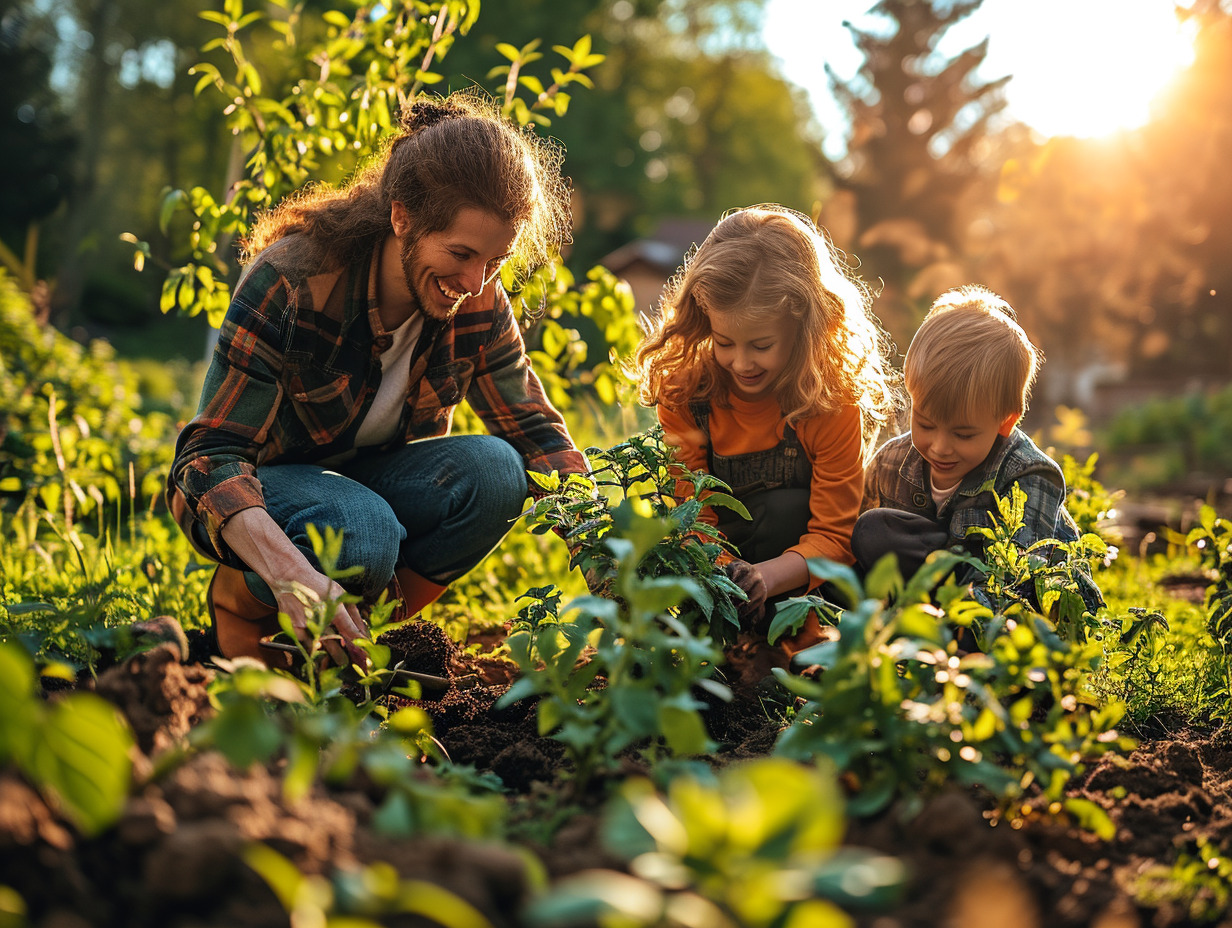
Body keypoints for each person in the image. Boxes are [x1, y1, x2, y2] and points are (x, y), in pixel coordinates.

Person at [167, 91, 587, 668]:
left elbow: (535, 433)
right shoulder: (292, 283)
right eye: (461, 253)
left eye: (496, 260)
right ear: (401, 218)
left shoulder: (482, 301)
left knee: (496, 473)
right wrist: (289, 571)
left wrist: (610, 554)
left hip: (362, 481)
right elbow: (205, 459)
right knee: (361, 532)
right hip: (270, 492)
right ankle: (242, 605)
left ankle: (360, 641)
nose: (475, 280)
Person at [634, 205, 899, 651]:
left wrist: (764, 577)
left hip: (802, 578)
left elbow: (835, 536)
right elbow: (692, 514)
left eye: (761, 345)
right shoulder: (686, 391)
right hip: (717, 572)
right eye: (724, 342)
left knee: (785, 509)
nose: (740, 362)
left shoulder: (828, 400)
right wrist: (725, 573)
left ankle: (798, 650)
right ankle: (715, 649)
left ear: (802, 326)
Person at [852, 284, 1102, 616]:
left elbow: (1021, 581)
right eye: (925, 424)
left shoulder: (1028, 474)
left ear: (1006, 422)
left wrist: (958, 619)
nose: (940, 447)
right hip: (941, 587)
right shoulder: (890, 464)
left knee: (1024, 604)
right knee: (872, 529)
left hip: (1015, 600)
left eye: (963, 434)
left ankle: (951, 633)